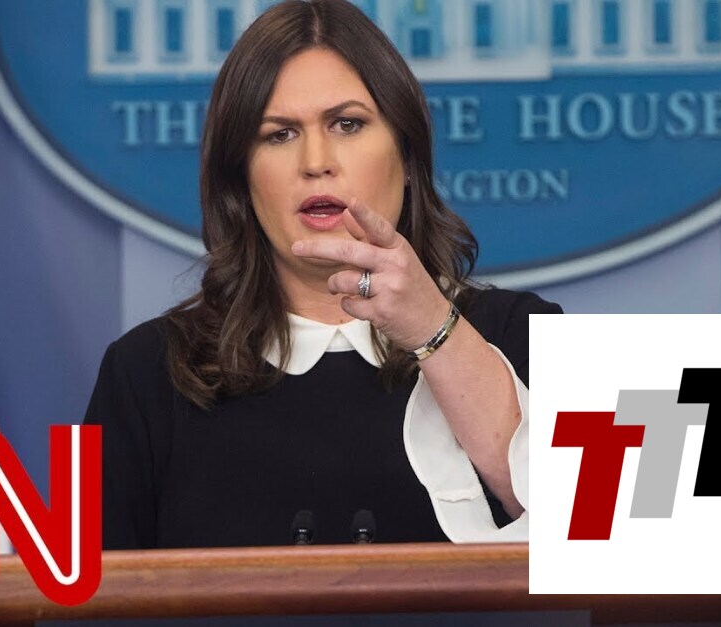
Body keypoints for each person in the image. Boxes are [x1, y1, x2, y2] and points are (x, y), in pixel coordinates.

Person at [83, 0, 562, 549]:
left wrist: (435, 330)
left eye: (347, 124)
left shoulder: (530, 332)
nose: (315, 161)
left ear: (407, 156)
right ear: (240, 178)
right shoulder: (143, 374)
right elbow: (88, 589)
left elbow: (620, 540)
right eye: (279, 134)